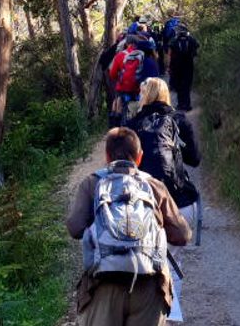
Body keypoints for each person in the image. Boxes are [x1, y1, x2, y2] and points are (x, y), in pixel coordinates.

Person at [66, 128, 191, 326]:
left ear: (107, 157)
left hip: (104, 284)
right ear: (139, 157)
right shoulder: (153, 185)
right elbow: (183, 235)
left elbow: (75, 227)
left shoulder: (92, 183)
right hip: (149, 285)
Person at [127, 78, 201, 216]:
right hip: (178, 202)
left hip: (143, 203)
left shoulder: (132, 124)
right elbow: (195, 159)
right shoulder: (180, 120)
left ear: (144, 96)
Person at [167, 24, 199, 111]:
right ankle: (187, 105)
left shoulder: (173, 41)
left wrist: (169, 66)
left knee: (178, 85)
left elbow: (169, 55)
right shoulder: (192, 40)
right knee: (187, 85)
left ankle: (180, 105)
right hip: (188, 66)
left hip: (176, 66)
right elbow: (196, 51)